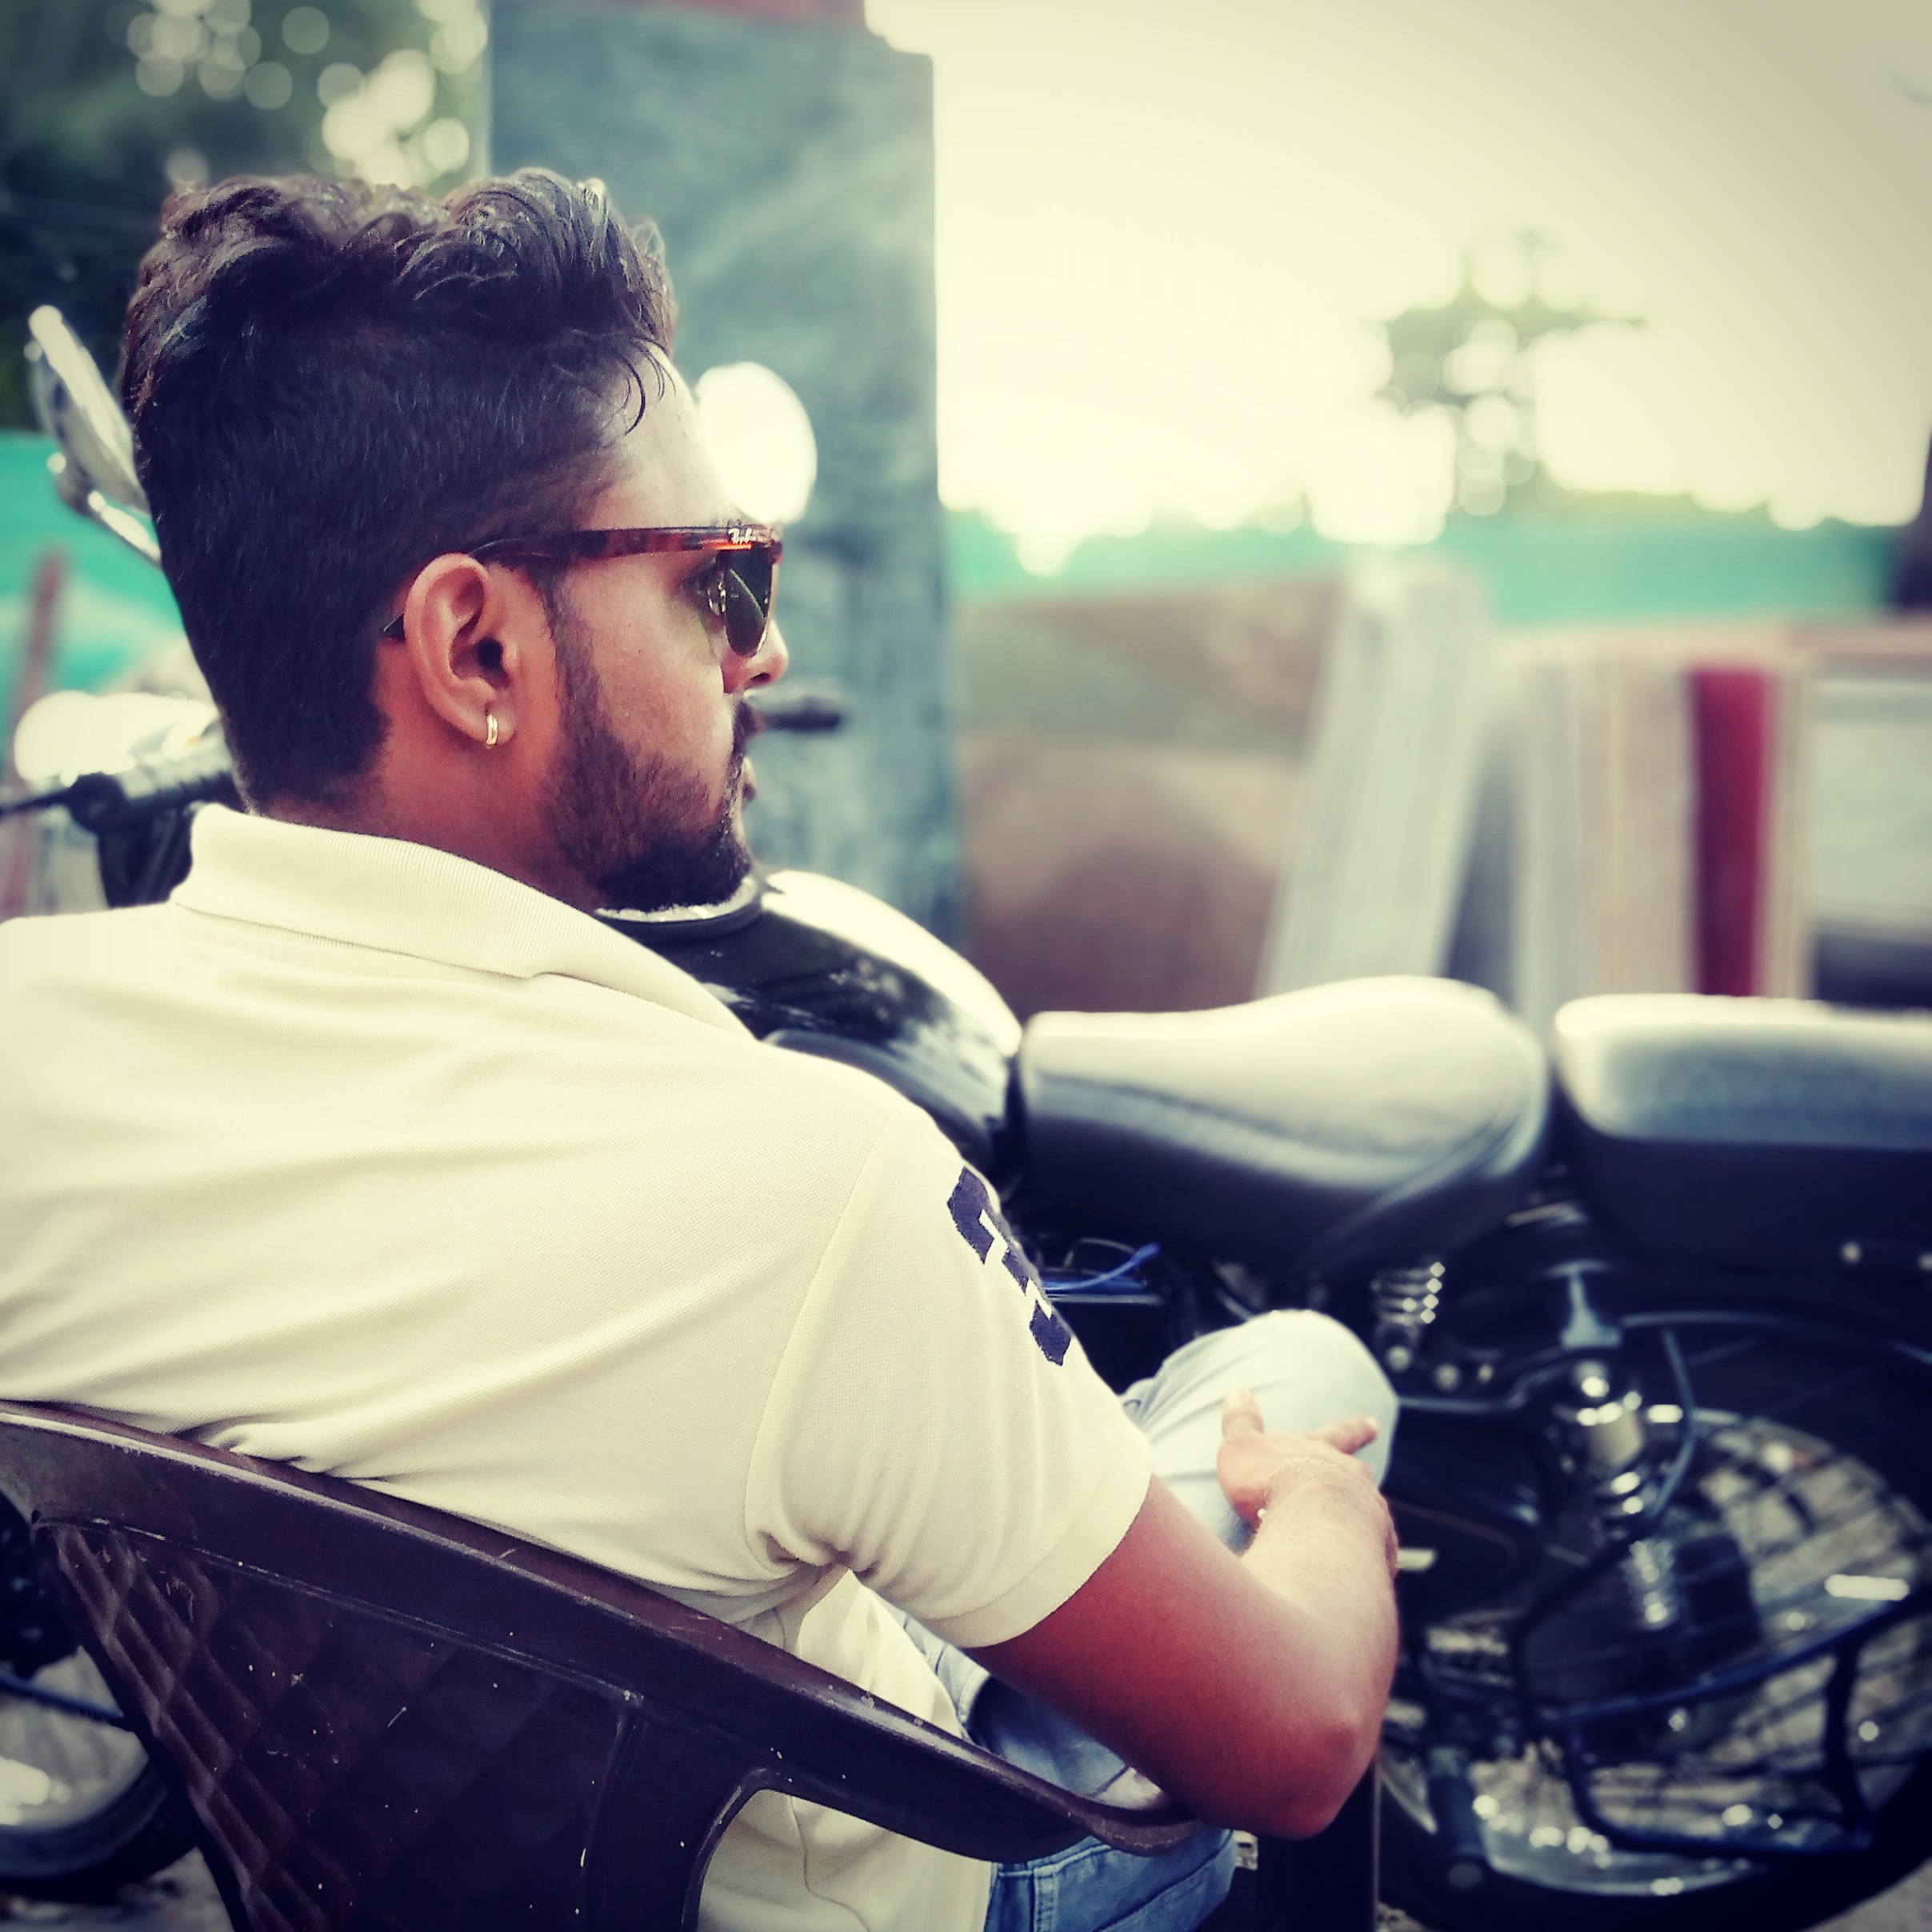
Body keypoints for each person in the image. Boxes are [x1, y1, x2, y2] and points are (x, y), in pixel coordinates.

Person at [0, 171, 1398, 1932]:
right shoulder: (817, 1191)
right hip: (907, 1886)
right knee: (1301, 1366)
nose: (768, 649)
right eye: (717, 582)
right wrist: (1319, 1513)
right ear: (475, 646)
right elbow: (1296, 1743)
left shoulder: (27, 1057)